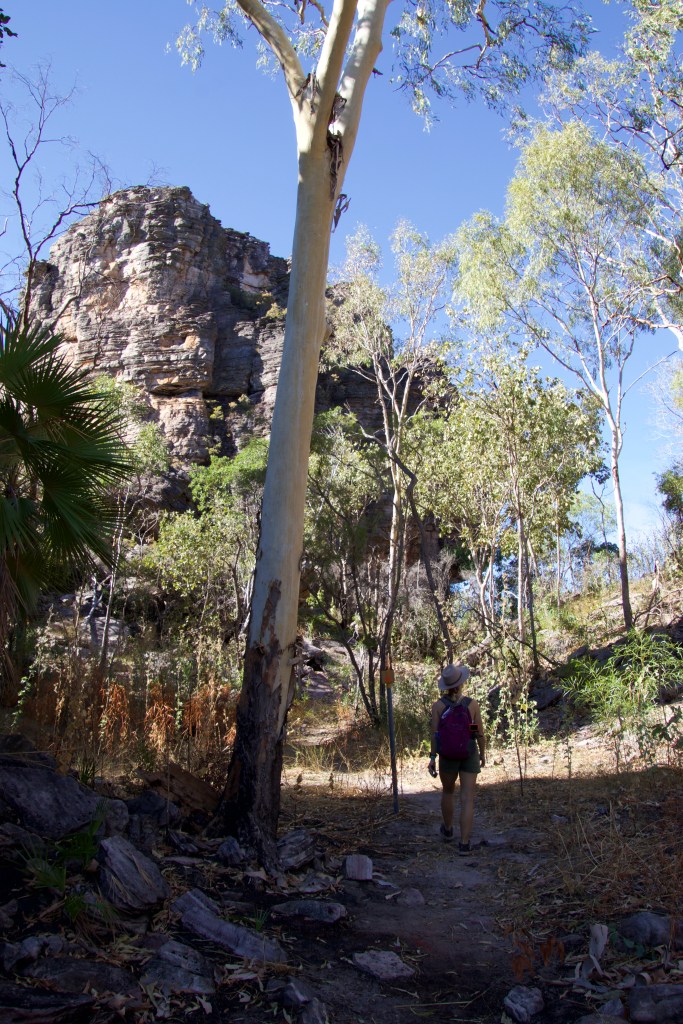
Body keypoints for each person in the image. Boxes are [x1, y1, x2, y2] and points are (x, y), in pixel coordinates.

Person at [427, 663, 485, 853]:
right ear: (462, 683)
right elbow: (477, 732)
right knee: (467, 798)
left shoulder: (438, 706)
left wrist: (432, 757)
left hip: (447, 755)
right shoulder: (472, 704)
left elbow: (435, 734)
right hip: (469, 753)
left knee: (448, 791)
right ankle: (465, 842)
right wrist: (482, 753)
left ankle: (448, 829)